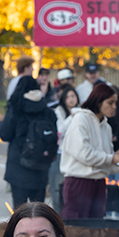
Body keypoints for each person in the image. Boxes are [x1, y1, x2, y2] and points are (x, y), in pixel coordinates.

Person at [60, 83, 119, 237]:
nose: (114, 107)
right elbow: (83, 154)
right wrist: (111, 159)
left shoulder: (106, 125)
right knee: (77, 233)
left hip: (98, 183)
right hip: (78, 182)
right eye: (110, 103)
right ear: (98, 102)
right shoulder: (81, 119)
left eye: (115, 103)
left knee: (94, 234)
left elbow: (104, 161)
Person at [0, 76, 55, 208]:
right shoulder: (47, 110)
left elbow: (5, 134)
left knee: (20, 212)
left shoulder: (16, 108)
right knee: (38, 211)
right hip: (41, 166)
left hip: (18, 167)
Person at [49, 85, 80, 213]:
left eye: (73, 96)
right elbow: (60, 131)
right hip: (60, 153)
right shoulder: (59, 111)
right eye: (67, 97)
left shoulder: (82, 112)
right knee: (57, 188)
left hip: (76, 155)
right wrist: (72, 116)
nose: (71, 99)